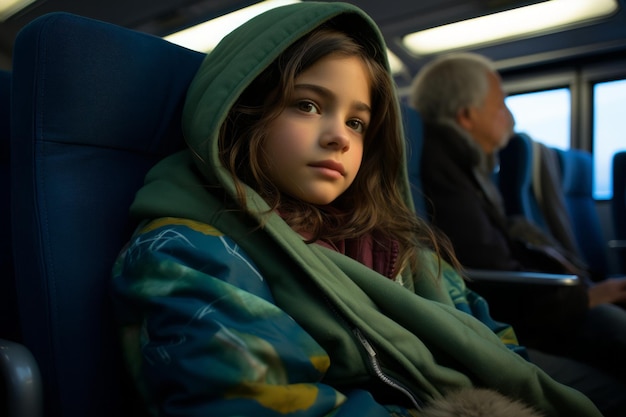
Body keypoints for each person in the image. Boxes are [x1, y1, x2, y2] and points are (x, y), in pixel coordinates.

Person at [111, 3, 603, 416]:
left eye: (358, 122)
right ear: (243, 111)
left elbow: (490, 335)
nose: (338, 136)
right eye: (307, 105)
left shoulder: (397, 243)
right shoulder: (188, 250)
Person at [410, 52, 626, 384]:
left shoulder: (468, 162)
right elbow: (486, 267)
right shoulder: (442, 161)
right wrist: (584, 296)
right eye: (501, 105)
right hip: (507, 317)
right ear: (467, 116)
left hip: (528, 307)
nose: (510, 117)